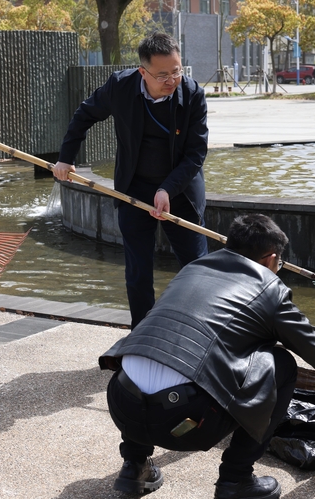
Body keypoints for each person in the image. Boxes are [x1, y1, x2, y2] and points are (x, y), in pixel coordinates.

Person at [99, 214, 315, 499]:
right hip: (186, 423)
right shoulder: (270, 289)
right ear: (271, 259)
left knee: (157, 349)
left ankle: (134, 466)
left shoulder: (193, 268)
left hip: (122, 404)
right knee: (284, 365)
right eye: (279, 264)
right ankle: (236, 479)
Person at [53, 32, 208, 327]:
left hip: (181, 192)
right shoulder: (120, 87)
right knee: (137, 271)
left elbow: (195, 155)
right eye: (162, 75)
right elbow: (84, 114)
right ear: (143, 71)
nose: (171, 80)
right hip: (134, 189)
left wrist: (167, 189)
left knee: (197, 269)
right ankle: (141, 334)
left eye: (176, 71)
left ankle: (200, 333)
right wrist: (65, 158)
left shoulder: (193, 95)